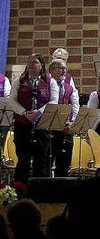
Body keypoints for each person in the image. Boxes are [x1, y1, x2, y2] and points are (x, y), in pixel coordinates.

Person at [8, 53, 59, 183]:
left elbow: (54, 100)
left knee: (41, 160)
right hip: (22, 125)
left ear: (42, 65)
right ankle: (20, 190)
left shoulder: (50, 81)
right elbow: (12, 101)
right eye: (29, 61)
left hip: (42, 127)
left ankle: (40, 192)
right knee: (23, 159)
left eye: (34, 62)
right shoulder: (19, 81)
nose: (31, 64)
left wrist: (39, 113)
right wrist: (25, 113)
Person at [48, 59, 79, 177]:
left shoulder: (68, 87)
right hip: (51, 128)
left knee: (65, 162)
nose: (64, 71)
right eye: (61, 68)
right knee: (48, 161)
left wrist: (72, 122)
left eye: (65, 69)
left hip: (66, 128)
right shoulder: (46, 84)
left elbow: (75, 105)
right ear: (51, 70)